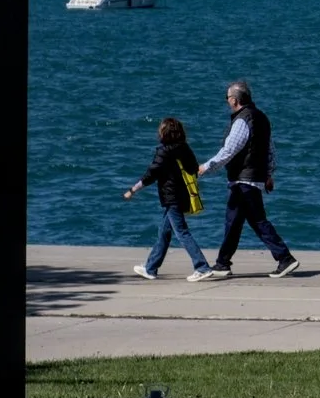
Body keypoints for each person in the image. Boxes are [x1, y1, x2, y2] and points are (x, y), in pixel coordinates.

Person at [200, 80, 300, 277]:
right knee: (235, 223)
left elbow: (229, 150)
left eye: (227, 97)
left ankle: (285, 258)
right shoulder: (261, 117)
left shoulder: (242, 120)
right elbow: (270, 150)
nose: (227, 101)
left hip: (242, 180)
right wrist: (268, 175)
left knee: (256, 222)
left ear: (234, 100)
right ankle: (222, 263)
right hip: (253, 179)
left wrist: (206, 167)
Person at [124, 116, 221, 281]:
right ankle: (151, 268)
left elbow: (151, 174)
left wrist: (132, 190)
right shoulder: (184, 148)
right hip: (183, 195)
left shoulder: (163, 151)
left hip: (171, 198)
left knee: (182, 232)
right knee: (164, 233)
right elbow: (193, 169)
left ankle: (202, 267)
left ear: (164, 134)